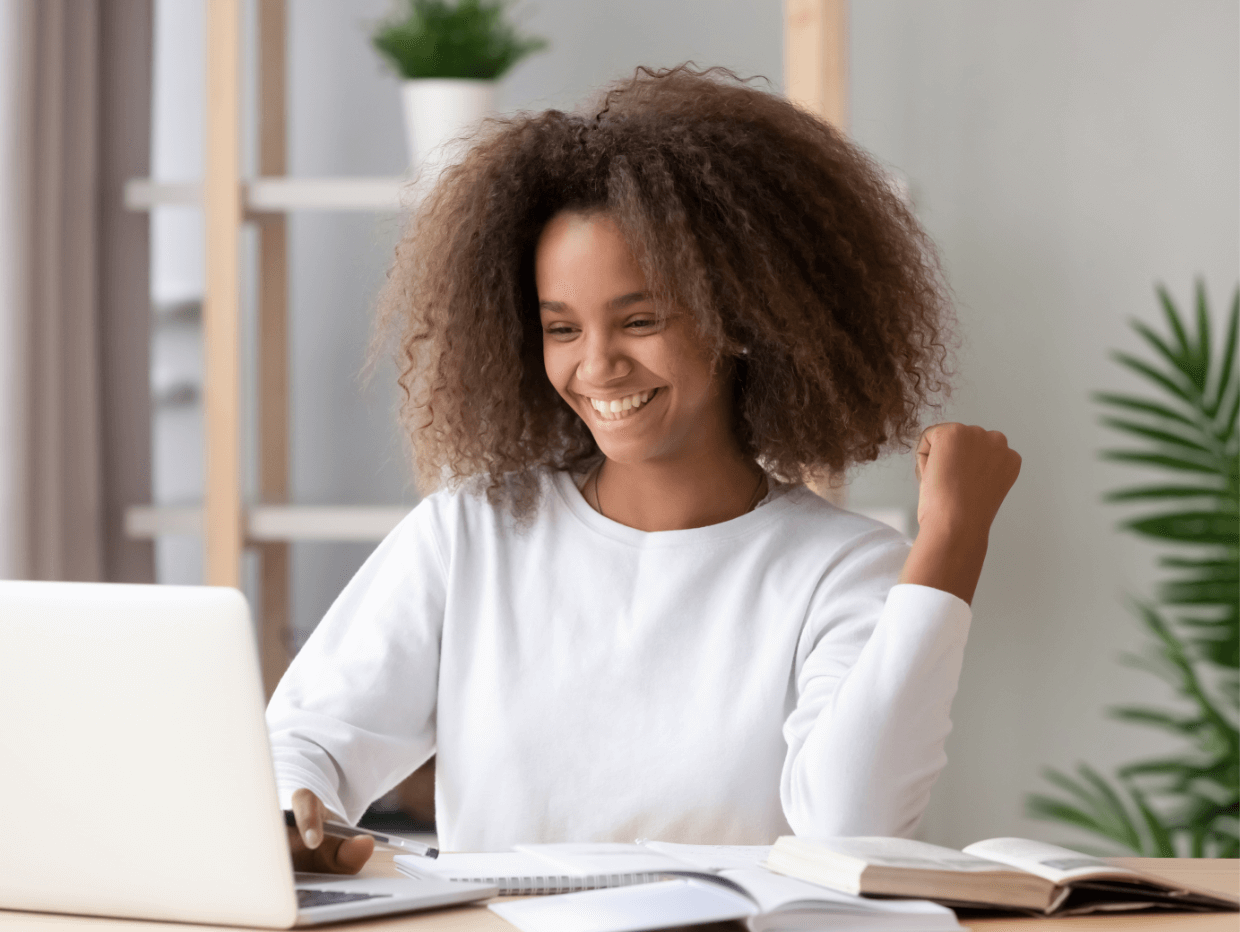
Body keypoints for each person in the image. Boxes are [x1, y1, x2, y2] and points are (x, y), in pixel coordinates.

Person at [267, 65, 1021, 874]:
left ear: (740, 318)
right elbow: (309, 739)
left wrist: (951, 542)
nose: (598, 366)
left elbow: (851, 825)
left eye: (640, 320)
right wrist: (288, 804)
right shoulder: (471, 532)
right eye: (561, 328)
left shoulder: (840, 570)